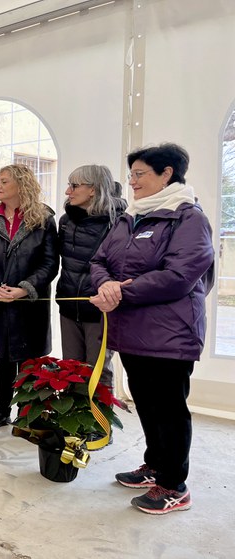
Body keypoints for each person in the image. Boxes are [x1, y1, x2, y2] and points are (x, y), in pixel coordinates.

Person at [90, 143, 214, 515]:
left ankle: (175, 485)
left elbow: (179, 276)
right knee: (145, 402)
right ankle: (155, 466)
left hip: (169, 333)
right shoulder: (130, 218)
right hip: (131, 330)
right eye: (131, 175)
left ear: (167, 174)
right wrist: (105, 284)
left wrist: (121, 291)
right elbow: (99, 260)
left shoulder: (188, 219)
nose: (132, 182)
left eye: (140, 174)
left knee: (170, 409)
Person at [0, 164, 58, 431]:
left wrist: (25, 288)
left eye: (4, 181)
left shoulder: (43, 220)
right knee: (2, 357)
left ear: (21, 185)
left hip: (28, 303)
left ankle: (28, 413)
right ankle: (0, 410)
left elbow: (50, 263)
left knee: (29, 359)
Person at [56, 165, 126, 393]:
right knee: (72, 369)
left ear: (93, 189)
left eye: (74, 186)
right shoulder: (66, 221)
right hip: (68, 304)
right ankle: (75, 424)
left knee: (98, 370)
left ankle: (99, 426)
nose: (68, 191)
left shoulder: (119, 222)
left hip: (100, 309)